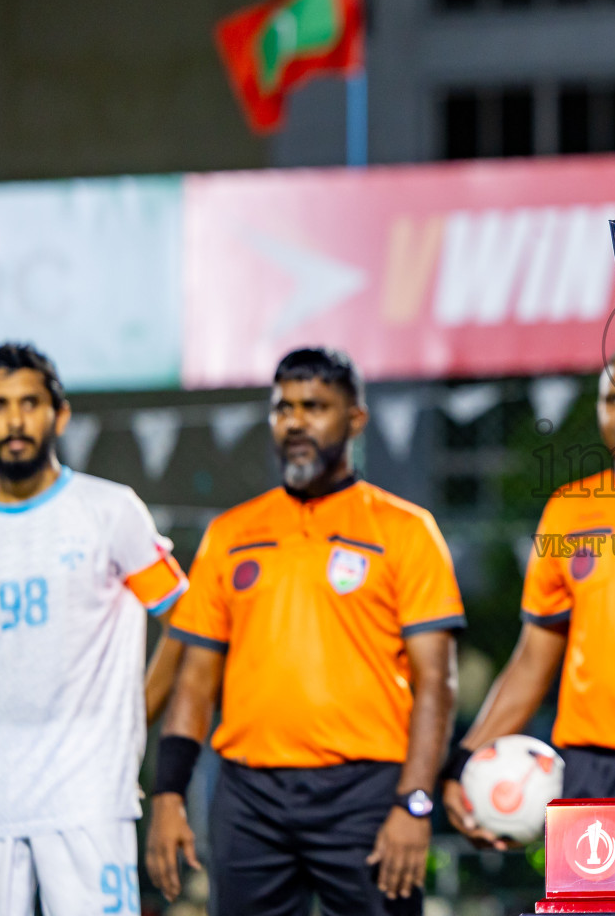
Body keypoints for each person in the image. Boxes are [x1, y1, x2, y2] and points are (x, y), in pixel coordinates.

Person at [146, 347, 463, 915]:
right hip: (249, 798)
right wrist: (169, 794)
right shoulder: (230, 533)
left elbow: (435, 684)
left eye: (314, 406)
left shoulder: (407, 530)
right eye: (282, 407)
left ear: (356, 419)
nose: (295, 421)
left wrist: (415, 804)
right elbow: (194, 684)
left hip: (366, 795)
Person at [0, 343, 188, 915]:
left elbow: (187, 621)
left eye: (29, 403)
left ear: (58, 415)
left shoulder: (111, 511)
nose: (14, 421)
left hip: (87, 795)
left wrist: (134, 714)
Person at [442, 348, 615, 847]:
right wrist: (464, 763)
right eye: (613, 399)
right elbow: (532, 660)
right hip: (590, 766)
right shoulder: (569, 510)